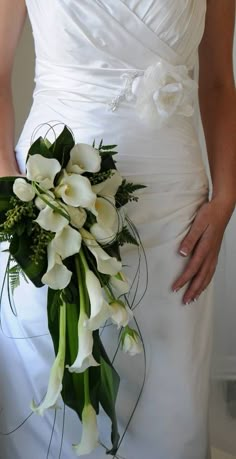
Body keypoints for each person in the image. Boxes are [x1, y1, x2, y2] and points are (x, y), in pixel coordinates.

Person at [0, 1, 235, 458]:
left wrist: (226, 198)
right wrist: (10, 191)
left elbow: (220, 81)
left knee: (169, 399)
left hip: (172, 209)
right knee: (50, 388)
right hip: (48, 195)